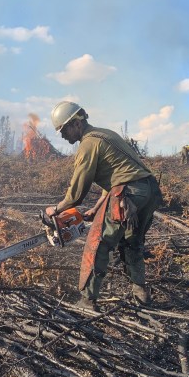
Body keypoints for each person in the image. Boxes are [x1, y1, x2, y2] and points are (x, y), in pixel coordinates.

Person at [45, 101, 162, 311]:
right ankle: (141, 293)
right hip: (149, 191)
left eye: (64, 130)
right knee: (132, 241)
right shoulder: (105, 135)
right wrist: (98, 207)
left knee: (98, 242)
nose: (62, 135)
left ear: (76, 123)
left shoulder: (88, 144)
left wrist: (56, 209)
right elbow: (119, 174)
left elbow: (77, 193)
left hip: (129, 196)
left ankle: (87, 301)